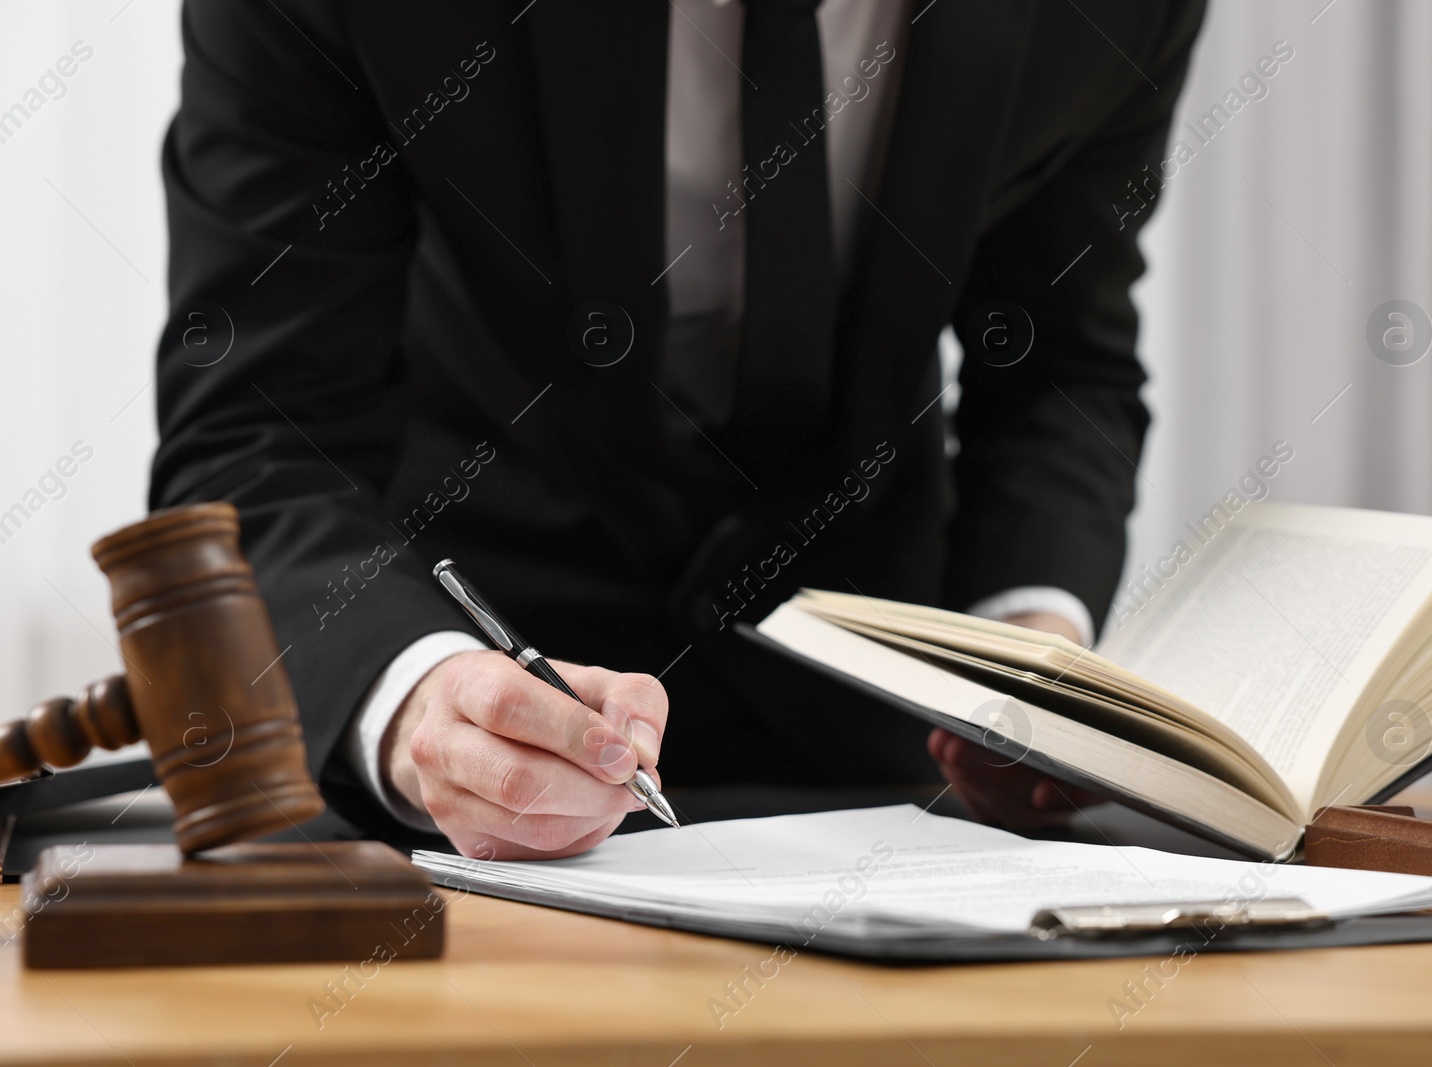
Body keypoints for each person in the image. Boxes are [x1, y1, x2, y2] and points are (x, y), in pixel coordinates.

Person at [151, 0, 1205, 859]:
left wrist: (1028, 642)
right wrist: (420, 692)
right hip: (471, 772)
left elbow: (1058, 364)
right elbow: (259, 432)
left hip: (896, 790)